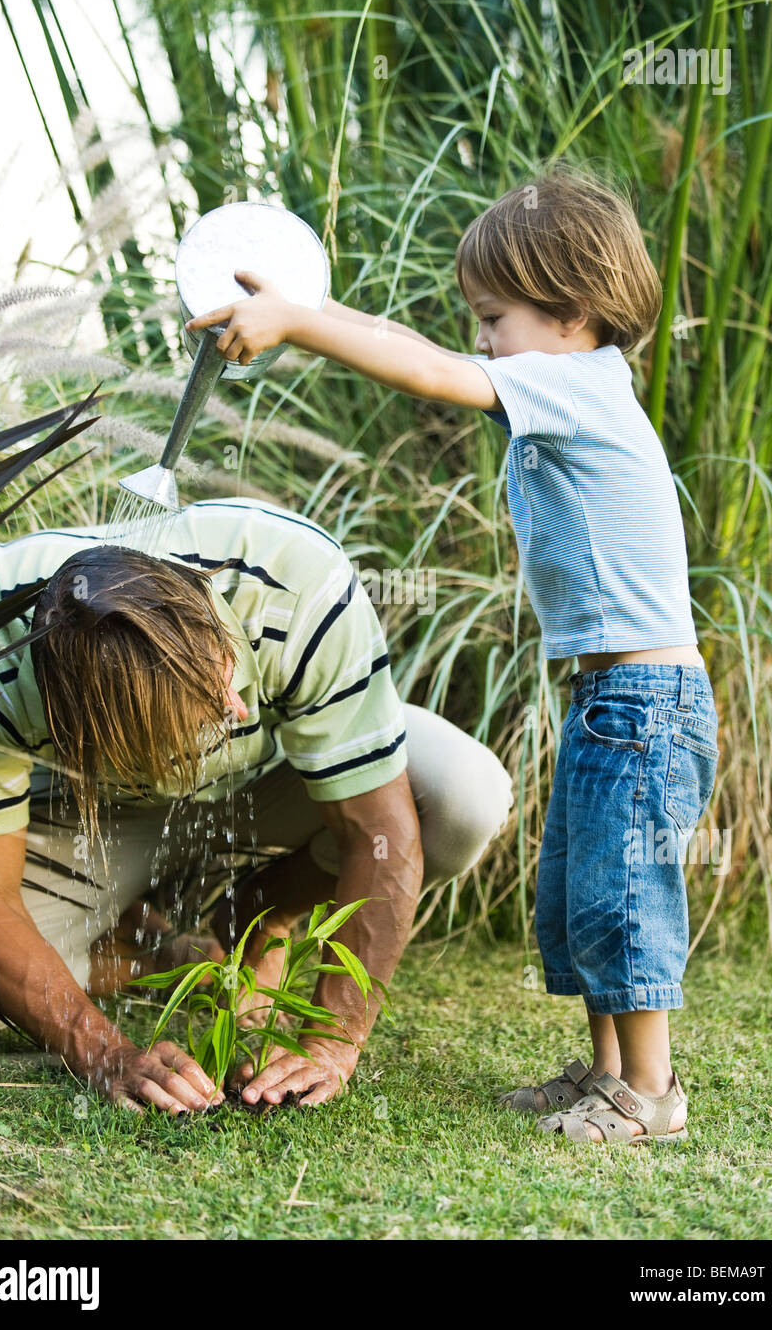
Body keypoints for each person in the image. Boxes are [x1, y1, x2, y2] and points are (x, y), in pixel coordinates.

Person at [185, 165, 720, 1144]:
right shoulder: (569, 379)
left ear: (572, 312)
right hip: (614, 694)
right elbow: (426, 349)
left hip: (648, 697)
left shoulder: (579, 384)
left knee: (626, 890)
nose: (481, 338)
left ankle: (650, 1090)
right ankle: (605, 1070)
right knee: (584, 884)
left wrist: (303, 329)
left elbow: (434, 370)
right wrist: (304, 305)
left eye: (495, 314)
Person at [0, 498, 513, 1112]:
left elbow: (377, 831)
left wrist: (329, 1042)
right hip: (98, 812)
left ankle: (258, 914)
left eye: (225, 676)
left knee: (462, 798)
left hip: (278, 777)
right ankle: (169, 952)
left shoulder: (298, 579)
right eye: (203, 717)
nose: (236, 707)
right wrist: (105, 1053)